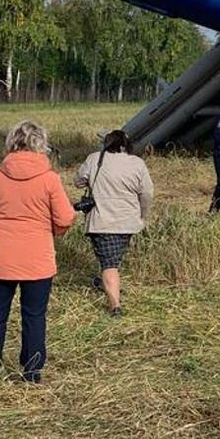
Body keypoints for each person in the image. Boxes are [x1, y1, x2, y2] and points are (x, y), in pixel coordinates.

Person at [0, 120, 75, 382]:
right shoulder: (50, 179)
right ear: (41, 144)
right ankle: (32, 371)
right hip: (37, 260)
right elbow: (64, 217)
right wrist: (53, 231)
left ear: (11, 143)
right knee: (34, 317)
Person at [75, 130, 154, 315]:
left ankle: (115, 306)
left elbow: (78, 182)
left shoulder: (95, 159)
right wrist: (143, 215)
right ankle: (106, 284)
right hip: (128, 221)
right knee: (113, 260)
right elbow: (147, 193)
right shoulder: (137, 163)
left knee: (109, 264)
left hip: (102, 221)